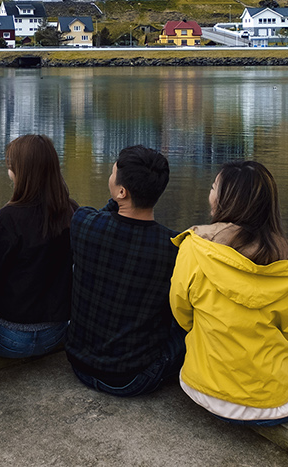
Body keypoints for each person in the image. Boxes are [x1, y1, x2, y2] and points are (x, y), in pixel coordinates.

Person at [170, 160, 288, 425]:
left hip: (205, 388)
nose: (209, 194)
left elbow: (182, 313)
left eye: (213, 188)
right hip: (273, 401)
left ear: (226, 201)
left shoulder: (195, 249)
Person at [67, 145, 185, 396]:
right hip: (133, 379)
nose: (110, 177)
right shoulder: (175, 248)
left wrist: (119, 199)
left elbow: (104, 217)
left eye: (112, 174)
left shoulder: (83, 223)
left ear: (121, 191)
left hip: (78, 363)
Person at [0, 133, 78, 357]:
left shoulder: (7, 219)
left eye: (10, 166)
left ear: (21, 172)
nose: (8, 172)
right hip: (56, 332)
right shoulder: (71, 212)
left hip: (8, 337)